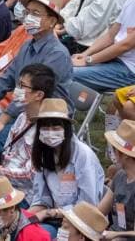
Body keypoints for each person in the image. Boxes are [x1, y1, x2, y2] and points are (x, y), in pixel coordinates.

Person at [0, 0, 74, 151]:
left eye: (36, 13)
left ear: (52, 22)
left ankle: (2, 164)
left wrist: (1, 121)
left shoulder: (57, 54)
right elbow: (6, 79)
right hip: (23, 112)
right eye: (28, 12)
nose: (29, 17)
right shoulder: (27, 45)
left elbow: (32, 93)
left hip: (45, 120)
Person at [28, 97, 104, 230]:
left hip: (77, 223)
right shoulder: (44, 152)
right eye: (45, 127)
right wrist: (25, 218)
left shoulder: (83, 155)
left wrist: (50, 213)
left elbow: (87, 204)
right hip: (53, 218)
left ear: (66, 129)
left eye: (55, 127)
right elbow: (41, 198)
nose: (50, 132)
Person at [71, 0, 135, 92]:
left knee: (67, 73)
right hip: (113, 58)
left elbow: (125, 45)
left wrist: (88, 60)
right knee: (61, 65)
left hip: (129, 69)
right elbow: (110, 36)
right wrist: (85, 54)